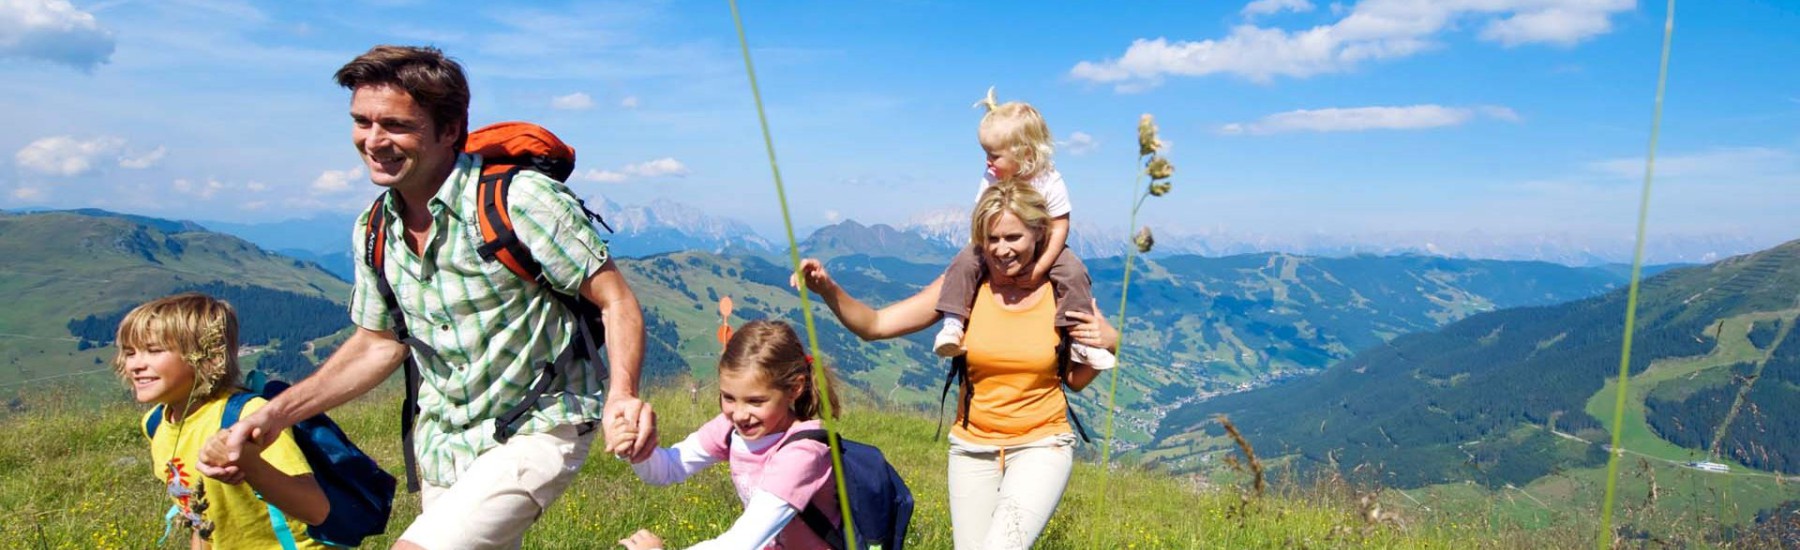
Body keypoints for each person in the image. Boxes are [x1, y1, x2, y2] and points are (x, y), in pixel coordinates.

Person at [198, 45, 655, 549]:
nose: (374, 141)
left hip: (542, 424)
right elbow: (379, 344)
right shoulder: (374, 228)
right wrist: (268, 417)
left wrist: (622, 394)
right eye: (361, 122)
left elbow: (615, 300)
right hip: (442, 442)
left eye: (395, 125)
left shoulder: (520, 201)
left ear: (450, 129)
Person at [794, 184, 1120, 550]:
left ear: (1039, 234)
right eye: (992, 238)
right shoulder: (965, 286)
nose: (1001, 249)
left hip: (1042, 444)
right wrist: (826, 288)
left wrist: (1111, 340)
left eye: (1013, 237)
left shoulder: (1061, 290)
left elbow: (1075, 380)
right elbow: (876, 325)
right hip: (970, 448)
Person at [118, 293, 331, 548]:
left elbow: (316, 510)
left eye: (153, 351)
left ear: (208, 357)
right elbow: (200, 519)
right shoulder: (155, 424)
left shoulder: (247, 416)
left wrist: (249, 464)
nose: (135, 365)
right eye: (130, 353)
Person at [618, 320, 844, 550]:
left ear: (795, 389)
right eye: (728, 398)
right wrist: (637, 448)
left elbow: (741, 543)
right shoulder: (730, 429)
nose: (739, 414)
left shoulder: (802, 453)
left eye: (756, 401)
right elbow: (667, 468)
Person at [933, 87, 1114, 372]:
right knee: (963, 262)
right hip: (995, 239)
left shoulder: (1049, 180)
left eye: (994, 155)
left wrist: (1041, 266)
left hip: (1045, 245)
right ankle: (953, 325)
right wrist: (983, 252)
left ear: (1024, 154)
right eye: (986, 154)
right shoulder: (991, 177)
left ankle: (1080, 338)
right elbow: (981, 216)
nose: (988, 162)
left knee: (1073, 271)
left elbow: (1060, 225)